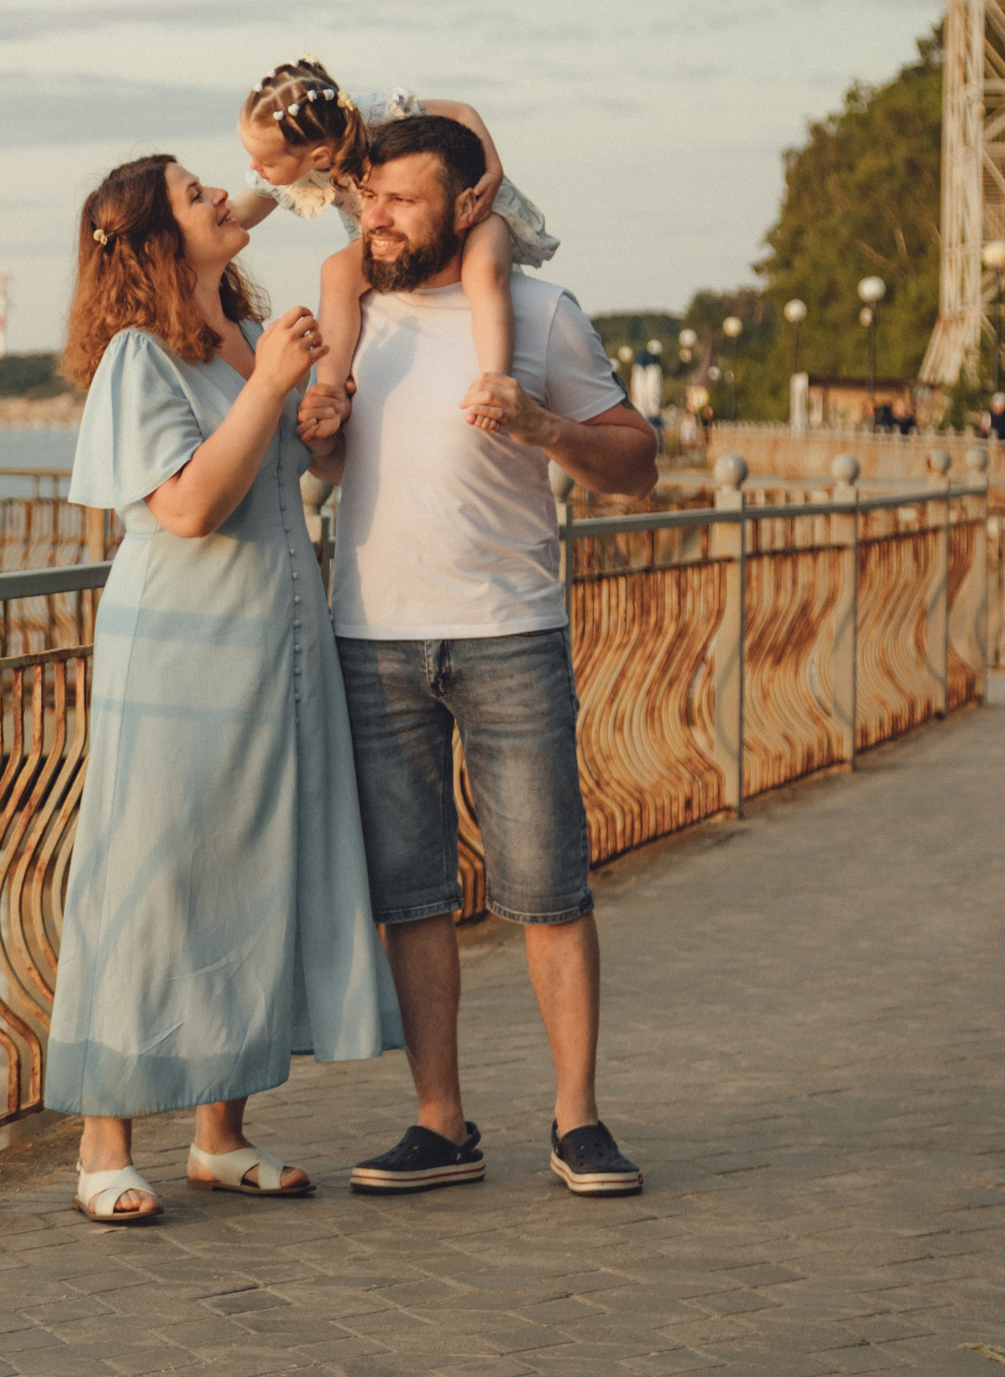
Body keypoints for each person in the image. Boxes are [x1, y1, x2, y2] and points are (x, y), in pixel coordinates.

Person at [297, 114, 660, 1199]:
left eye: (400, 201)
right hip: (371, 634)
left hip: (510, 631)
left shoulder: (541, 313)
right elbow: (317, 461)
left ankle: (578, 1121)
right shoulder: (350, 317)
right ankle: (439, 1124)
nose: (378, 220)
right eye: (370, 201)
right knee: (410, 896)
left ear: (463, 207)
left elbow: (636, 462)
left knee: (548, 888)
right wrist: (313, 426)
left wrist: (545, 429)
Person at [48, 153, 401, 1224]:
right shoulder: (136, 360)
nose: (217, 198)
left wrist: (315, 429)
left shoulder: (230, 339)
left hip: (274, 643)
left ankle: (219, 1136)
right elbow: (190, 506)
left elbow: (275, 476)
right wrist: (269, 389)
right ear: (157, 240)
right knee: (150, 875)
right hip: (181, 655)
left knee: (251, 870)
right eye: (192, 193)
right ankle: (102, 1143)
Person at [228, 59, 559, 432]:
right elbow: (240, 213)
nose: (254, 166)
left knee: (481, 268)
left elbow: (462, 112)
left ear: (318, 157)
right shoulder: (294, 167)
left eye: (264, 159)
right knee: (336, 271)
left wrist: (493, 170)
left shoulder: (378, 114)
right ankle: (329, 391)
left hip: (473, 206)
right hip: (390, 236)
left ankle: (494, 381)